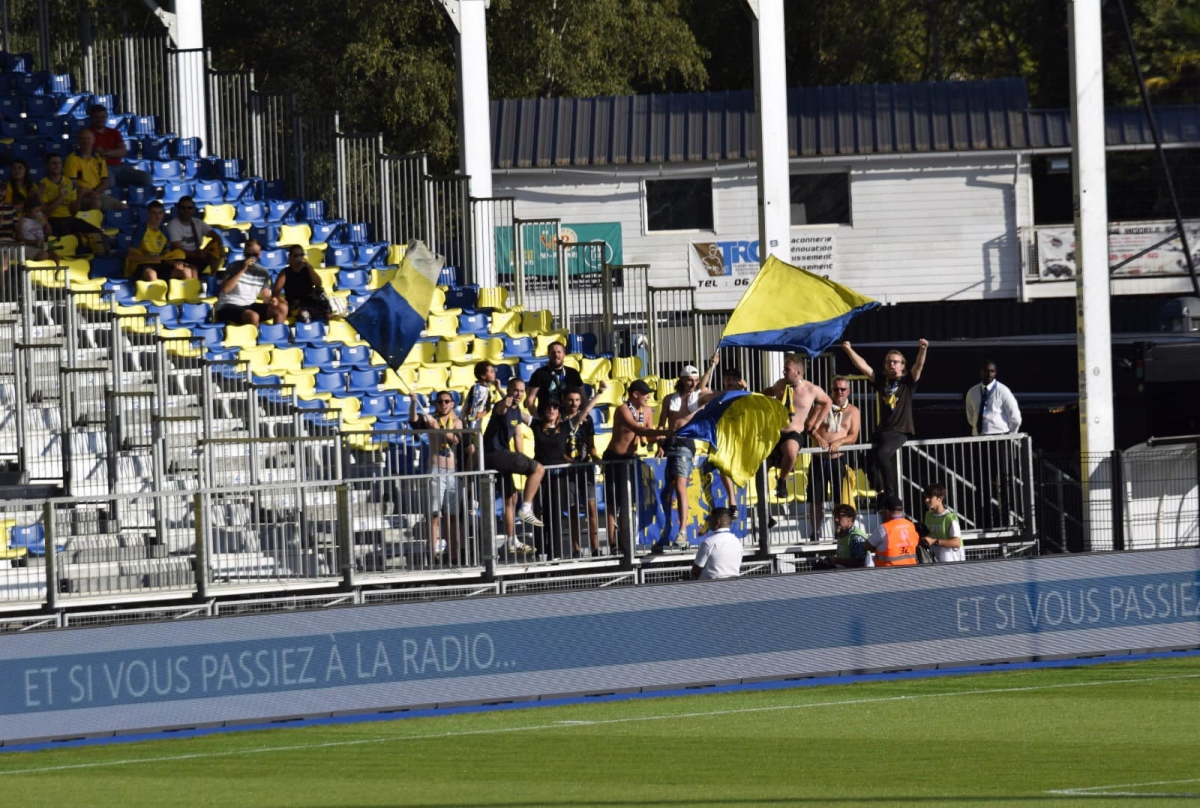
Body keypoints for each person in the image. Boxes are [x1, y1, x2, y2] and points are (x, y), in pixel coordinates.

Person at [841, 339, 928, 504]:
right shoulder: (882, 381)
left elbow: (919, 366)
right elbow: (864, 367)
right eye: (889, 362)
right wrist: (848, 350)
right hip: (883, 430)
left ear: (902, 365)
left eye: (895, 362)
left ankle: (890, 493)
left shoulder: (907, 381)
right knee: (864, 459)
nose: (892, 365)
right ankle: (879, 490)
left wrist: (923, 349)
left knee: (882, 454)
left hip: (900, 430)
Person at [657, 355, 720, 550]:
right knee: (666, 490)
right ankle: (665, 530)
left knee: (680, 486)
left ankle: (682, 530)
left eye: (695, 380)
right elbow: (661, 425)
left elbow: (708, 391)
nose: (693, 383)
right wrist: (659, 445)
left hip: (685, 444)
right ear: (682, 379)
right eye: (689, 380)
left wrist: (711, 367)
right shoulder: (670, 399)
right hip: (670, 443)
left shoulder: (698, 397)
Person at [604, 379, 670, 554]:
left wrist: (660, 445)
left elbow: (648, 437)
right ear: (635, 394)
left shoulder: (647, 411)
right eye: (646, 393)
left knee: (628, 502)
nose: (649, 396)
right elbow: (640, 430)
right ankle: (613, 545)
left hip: (631, 459)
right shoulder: (622, 410)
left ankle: (625, 542)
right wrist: (667, 432)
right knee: (613, 504)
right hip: (614, 458)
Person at [482, 378, 545, 557]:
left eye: (521, 391)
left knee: (511, 498)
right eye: (515, 390)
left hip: (502, 456)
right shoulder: (502, 406)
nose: (518, 394)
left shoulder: (517, 412)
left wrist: (520, 456)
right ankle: (526, 508)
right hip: (495, 454)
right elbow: (501, 408)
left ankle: (511, 540)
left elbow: (521, 431)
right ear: (509, 390)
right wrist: (504, 400)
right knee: (539, 469)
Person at [760, 353, 831, 499]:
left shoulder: (811, 389)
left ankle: (782, 480)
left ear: (797, 372)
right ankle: (764, 506)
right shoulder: (780, 384)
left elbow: (827, 402)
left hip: (793, 432)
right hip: (774, 432)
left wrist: (815, 423)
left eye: (787, 369)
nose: (783, 372)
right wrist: (755, 396)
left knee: (791, 451)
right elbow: (770, 391)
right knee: (761, 467)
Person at [964, 359, 1022, 529]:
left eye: (992, 372)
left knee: (1004, 480)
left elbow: (1015, 417)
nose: (988, 375)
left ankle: (1006, 519)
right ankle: (985, 519)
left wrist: (1010, 436)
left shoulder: (1003, 391)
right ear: (980, 371)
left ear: (995, 373)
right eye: (985, 371)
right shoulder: (973, 392)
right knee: (983, 480)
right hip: (981, 439)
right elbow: (970, 415)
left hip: (1000, 439)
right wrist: (977, 430)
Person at [410, 391, 463, 564]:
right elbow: (414, 421)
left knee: (452, 516)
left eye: (447, 401)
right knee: (434, 515)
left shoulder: (456, 422)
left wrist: (437, 429)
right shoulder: (430, 418)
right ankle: (432, 553)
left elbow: (455, 439)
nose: (443, 404)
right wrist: (413, 402)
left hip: (453, 473)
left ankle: (454, 554)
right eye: (440, 401)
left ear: (453, 404)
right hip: (435, 470)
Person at [807, 375, 862, 540]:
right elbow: (809, 427)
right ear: (831, 390)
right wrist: (818, 438)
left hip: (838, 459)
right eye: (836, 389)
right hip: (818, 458)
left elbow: (853, 436)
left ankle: (840, 532)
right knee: (816, 499)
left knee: (839, 500)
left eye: (843, 389)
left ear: (848, 392)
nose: (839, 392)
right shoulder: (821, 407)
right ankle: (815, 533)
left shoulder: (853, 411)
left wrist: (840, 441)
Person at [561, 385, 603, 557]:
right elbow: (557, 447)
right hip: (568, 470)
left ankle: (595, 548)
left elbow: (591, 446)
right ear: (564, 400)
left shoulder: (588, 420)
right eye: (570, 400)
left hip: (585, 468)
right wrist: (567, 460)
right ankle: (576, 548)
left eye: (577, 400)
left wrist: (598, 459)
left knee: (591, 508)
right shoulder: (560, 419)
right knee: (572, 511)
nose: (574, 403)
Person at [39, 153, 106, 250]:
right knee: (74, 238)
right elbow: (46, 212)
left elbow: (74, 212)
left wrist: (79, 197)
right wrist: (60, 197)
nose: (57, 166)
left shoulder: (70, 183)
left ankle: (101, 258)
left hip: (69, 218)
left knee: (96, 232)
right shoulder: (43, 184)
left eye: (59, 163)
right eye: (53, 163)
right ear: (48, 166)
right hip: (53, 220)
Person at [215, 240, 287, 326]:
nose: (251, 258)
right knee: (253, 316)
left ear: (260, 254)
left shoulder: (263, 272)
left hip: (248, 305)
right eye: (248, 255)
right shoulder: (233, 266)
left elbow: (266, 297)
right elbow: (225, 289)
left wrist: (273, 300)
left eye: (255, 255)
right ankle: (255, 339)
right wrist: (242, 270)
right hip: (228, 305)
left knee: (282, 308)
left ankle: (276, 335)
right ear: (244, 254)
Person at [87, 104, 151, 187]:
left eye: (102, 117)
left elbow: (123, 152)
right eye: (97, 117)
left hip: (119, 167)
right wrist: (114, 152)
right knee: (109, 180)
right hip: (99, 169)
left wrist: (105, 152)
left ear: (106, 117)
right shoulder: (87, 133)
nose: (100, 120)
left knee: (145, 177)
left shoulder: (114, 133)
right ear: (91, 118)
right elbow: (93, 154)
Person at [125, 201, 190, 281]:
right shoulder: (141, 230)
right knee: (152, 274)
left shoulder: (165, 232)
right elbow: (131, 257)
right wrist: (150, 258)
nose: (157, 216)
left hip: (158, 264)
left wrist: (175, 263)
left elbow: (166, 256)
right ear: (148, 214)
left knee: (186, 271)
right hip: (141, 264)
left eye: (160, 213)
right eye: (154, 213)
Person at [65, 128, 125, 213]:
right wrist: (89, 193)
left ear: (93, 140)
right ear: (79, 141)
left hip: (97, 193)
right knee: (95, 203)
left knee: (123, 208)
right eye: (83, 139)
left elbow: (105, 182)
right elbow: (71, 184)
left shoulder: (99, 158)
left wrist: (94, 192)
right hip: (80, 196)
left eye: (88, 139)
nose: (86, 142)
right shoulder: (72, 159)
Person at [166, 195, 225, 275]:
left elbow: (216, 236)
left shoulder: (198, 222)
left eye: (189, 208)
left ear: (193, 210)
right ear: (178, 209)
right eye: (183, 208)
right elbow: (178, 249)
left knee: (216, 248)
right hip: (182, 257)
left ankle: (213, 277)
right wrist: (199, 254)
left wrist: (218, 247)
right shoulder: (173, 224)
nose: (186, 210)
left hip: (198, 255)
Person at [461, 361, 502, 470]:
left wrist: (482, 414)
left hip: (477, 426)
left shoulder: (488, 389)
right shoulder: (476, 389)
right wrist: (471, 425)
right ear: (483, 376)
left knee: (478, 452)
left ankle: (473, 475)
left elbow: (487, 406)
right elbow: (470, 408)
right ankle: (468, 477)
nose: (494, 374)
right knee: (472, 451)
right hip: (467, 426)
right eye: (491, 371)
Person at [272, 245, 330, 323]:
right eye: (296, 255)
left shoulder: (307, 270)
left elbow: (318, 283)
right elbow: (276, 292)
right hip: (295, 303)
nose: (299, 258)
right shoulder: (285, 273)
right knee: (303, 314)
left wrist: (309, 267)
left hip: (309, 300)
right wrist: (282, 301)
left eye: (301, 255)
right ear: (291, 257)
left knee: (321, 294)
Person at [525, 340, 583, 411]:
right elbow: (530, 400)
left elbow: (583, 398)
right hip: (547, 417)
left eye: (559, 352)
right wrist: (537, 419)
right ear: (548, 354)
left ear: (564, 354)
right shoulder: (539, 373)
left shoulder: (573, 373)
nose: (556, 355)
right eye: (553, 352)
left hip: (569, 418)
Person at [864, 494, 920, 567]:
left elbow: (867, 546)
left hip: (889, 572)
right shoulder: (911, 525)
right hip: (911, 569)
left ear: (886, 511)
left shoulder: (883, 528)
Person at [690, 507, 743, 580]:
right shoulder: (737, 542)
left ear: (717, 522)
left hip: (710, 586)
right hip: (735, 584)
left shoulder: (708, 543)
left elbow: (696, 571)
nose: (708, 522)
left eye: (710, 519)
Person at [921, 482, 964, 563]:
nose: (926, 500)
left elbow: (956, 542)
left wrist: (935, 541)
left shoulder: (950, 517)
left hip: (951, 562)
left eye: (930, 497)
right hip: (936, 561)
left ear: (940, 498)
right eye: (926, 497)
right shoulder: (928, 515)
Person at [16, 197, 59, 263]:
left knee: (55, 256)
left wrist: (46, 223)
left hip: (41, 246)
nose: (38, 213)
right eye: (36, 211)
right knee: (43, 255)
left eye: (40, 211)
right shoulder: (22, 221)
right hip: (28, 246)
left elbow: (49, 232)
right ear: (28, 210)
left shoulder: (40, 220)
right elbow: (18, 238)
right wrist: (33, 242)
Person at [827, 504, 870, 569]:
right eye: (835, 516)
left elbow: (860, 563)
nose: (836, 520)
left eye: (839, 517)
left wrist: (837, 560)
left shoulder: (855, 537)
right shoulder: (842, 534)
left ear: (850, 519)